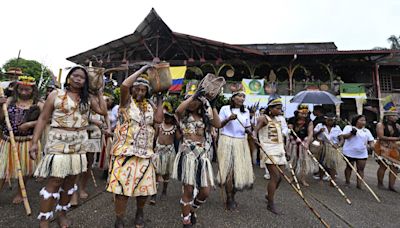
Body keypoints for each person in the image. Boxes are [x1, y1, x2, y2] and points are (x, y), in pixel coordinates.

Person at [29, 66, 108, 228]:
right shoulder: (55, 94)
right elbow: (43, 118)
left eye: (82, 77)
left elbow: (102, 111)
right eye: (75, 76)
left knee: (70, 182)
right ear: (69, 77)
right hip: (58, 142)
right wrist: (34, 142)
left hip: (79, 144)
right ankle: (44, 219)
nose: (78, 79)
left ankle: (62, 214)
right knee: (55, 180)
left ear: (86, 81)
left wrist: (99, 93)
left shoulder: (87, 98)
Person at [106, 65, 163, 228]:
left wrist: (159, 99)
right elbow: (124, 85)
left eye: (143, 90)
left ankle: (139, 212)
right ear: (132, 90)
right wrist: (143, 69)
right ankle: (119, 218)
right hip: (125, 152)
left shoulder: (150, 106)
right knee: (121, 190)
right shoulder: (125, 103)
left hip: (145, 153)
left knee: (143, 190)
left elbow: (158, 120)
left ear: (147, 92)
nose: (139, 93)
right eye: (137, 89)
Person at [172, 83, 221, 227]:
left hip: (202, 157)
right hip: (188, 156)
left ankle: (191, 209)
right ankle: (186, 220)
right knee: (188, 189)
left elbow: (217, 124)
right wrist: (193, 95)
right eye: (190, 100)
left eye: (195, 101)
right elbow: (178, 109)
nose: (192, 103)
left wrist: (212, 105)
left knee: (205, 191)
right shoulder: (181, 116)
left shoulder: (205, 117)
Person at [0, 76, 43, 204]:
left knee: (25, 170)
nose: (24, 92)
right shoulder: (9, 101)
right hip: (8, 141)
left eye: (27, 90)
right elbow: (1, 118)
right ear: (17, 89)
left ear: (33, 90)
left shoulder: (39, 104)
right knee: (2, 170)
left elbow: (47, 120)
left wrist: (29, 125)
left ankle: (20, 192)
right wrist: (0, 106)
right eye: (21, 89)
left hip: (28, 141)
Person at [217, 90, 254, 210]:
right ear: (233, 98)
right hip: (227, 141)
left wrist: (250, 131)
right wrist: (228, 119)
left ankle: (232, 195)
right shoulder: (225, 109)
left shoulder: (246, 111)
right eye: (239, 96)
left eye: (243, 96)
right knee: (229, 171)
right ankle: (229, 198)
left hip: (241, 142)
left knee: (238, 172)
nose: (242, 98)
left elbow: (248, 127)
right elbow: (219, 125)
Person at [254, 96, 289, 215]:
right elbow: (255, 130)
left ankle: (269, 195)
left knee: (280, 177)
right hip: (268, 149)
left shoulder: (279, 119)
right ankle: (271, 203)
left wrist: (285, 149)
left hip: (279, 149)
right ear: (271, 109)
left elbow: (281, 136)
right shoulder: (263, 118)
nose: (280, 111)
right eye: (278, 108)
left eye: (281, 108)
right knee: (275, 176)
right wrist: (254, 137)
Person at [150, 102, 179, 204]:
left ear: (173, 119)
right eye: (166, 117)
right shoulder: (160, 126)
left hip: (169, 152)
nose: (167, 119)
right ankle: (154, 194)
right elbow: (155, 137)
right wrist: (153, 148)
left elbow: (179, 138)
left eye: (169, 117)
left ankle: (164, 190)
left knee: (166, 173)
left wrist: (178, 125)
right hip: (159, 150)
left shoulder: (174, 128)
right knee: (156, 172)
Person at [341, 115, 374, 189]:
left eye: (364, 120)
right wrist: (351, 133)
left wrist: (372, 146)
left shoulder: (366, 130)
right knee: (349, 167)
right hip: (350, 151)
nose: (363, 122)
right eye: (361, 120)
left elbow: (371, 140)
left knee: (361, 169)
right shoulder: (348, 127)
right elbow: (344, 136)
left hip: (362, 152)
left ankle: (359, 184)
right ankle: (347, 181)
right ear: (356, 120)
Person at [287, 104, 316, 186]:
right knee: (293, 160)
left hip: (304, 143)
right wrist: (290, 127)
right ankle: (292, 177)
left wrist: (307, 143)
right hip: (294, 143)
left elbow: (310, 133)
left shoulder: (309, 121)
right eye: (302, 113)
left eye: (306, 113)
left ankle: (303, 179)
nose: (304, 115)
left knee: (303, 161)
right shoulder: (292, 120)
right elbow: (289, 131)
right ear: (298, 112)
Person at [313, 113, 343, 184]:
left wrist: (338, 145)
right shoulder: (319, 125)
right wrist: (320, 131)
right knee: (322, 162)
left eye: (331, 120)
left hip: (333, 147)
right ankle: (321, 178)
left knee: (333, 163)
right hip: (322, 145)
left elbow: (341, 138)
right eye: (328, 120)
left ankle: (332, 179)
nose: (330, 122)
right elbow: (313, 135)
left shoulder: (337, 128)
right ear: (325, 120)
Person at [375, 107, 400, 192]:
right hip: (382, 147)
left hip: (393, 148)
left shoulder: (397, 126)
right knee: (383, 165)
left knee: (395, 167)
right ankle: (380, 183)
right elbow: (381, 137)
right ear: (387, 116)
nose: (396, 117)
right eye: (393, 116)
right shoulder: (380, 125)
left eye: (396, 116)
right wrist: (396, 139)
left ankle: (391, 185)